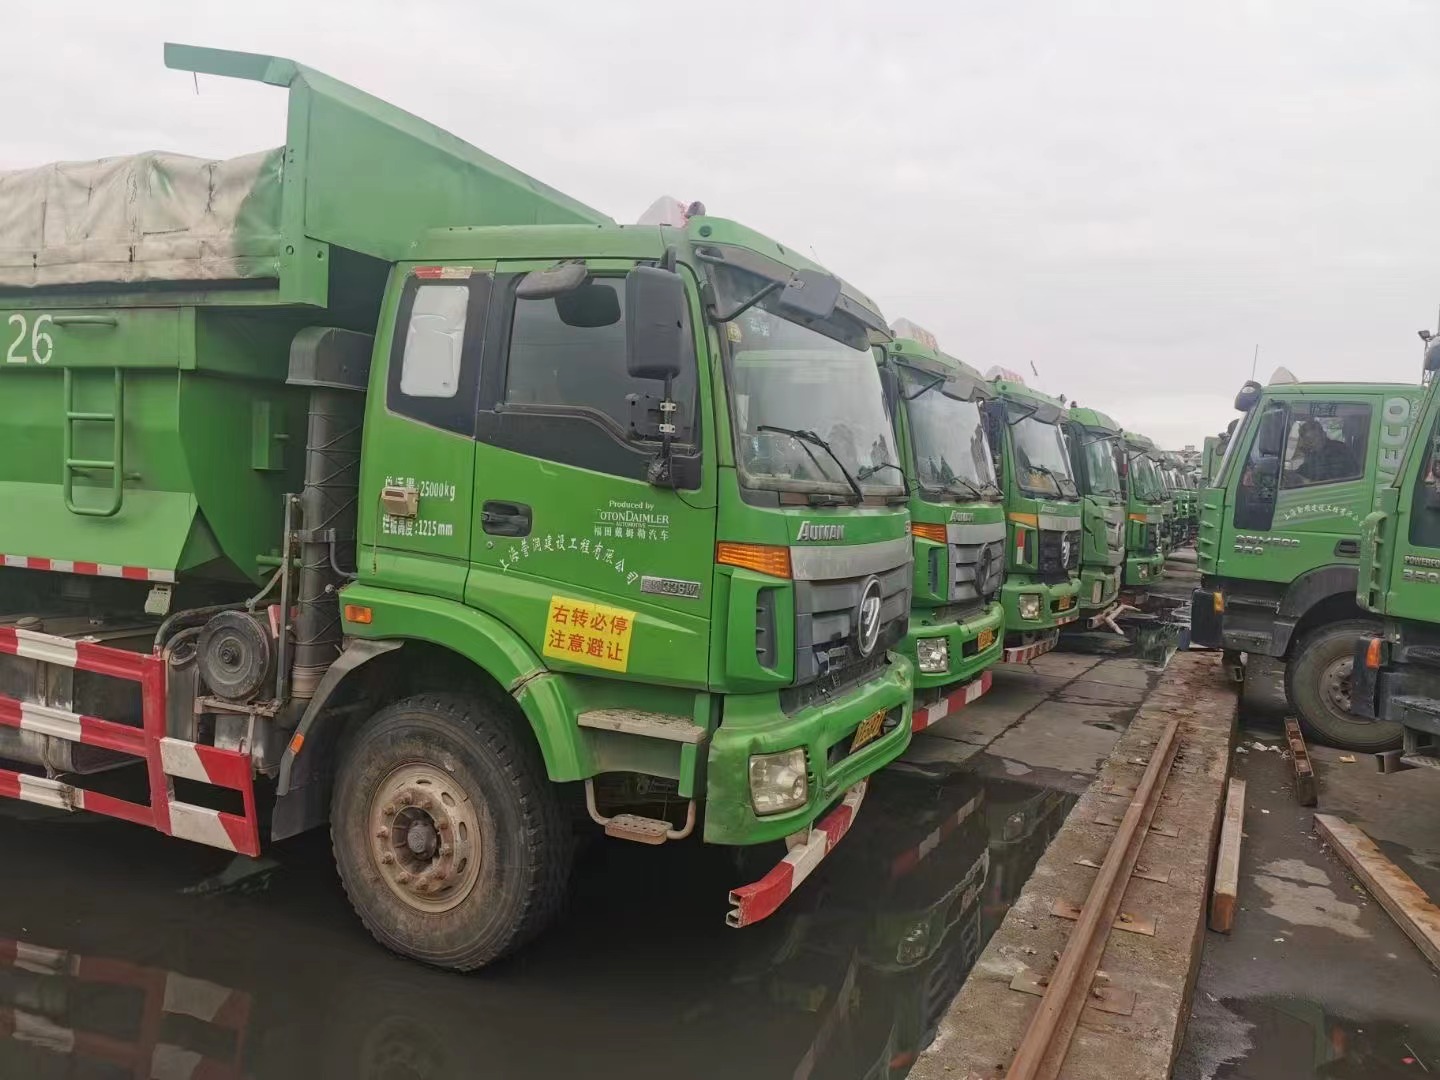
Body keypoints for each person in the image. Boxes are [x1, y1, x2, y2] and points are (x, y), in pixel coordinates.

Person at [1292, 419, 1356, 484]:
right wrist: (1292, 474)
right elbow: (1305, 469)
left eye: (1314, 437)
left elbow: (1332, 478)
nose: (1310, 442)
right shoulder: (1313, 452)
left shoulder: (1338, 450)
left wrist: (1308, 481)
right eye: (1307, 439)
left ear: (1323, 435)